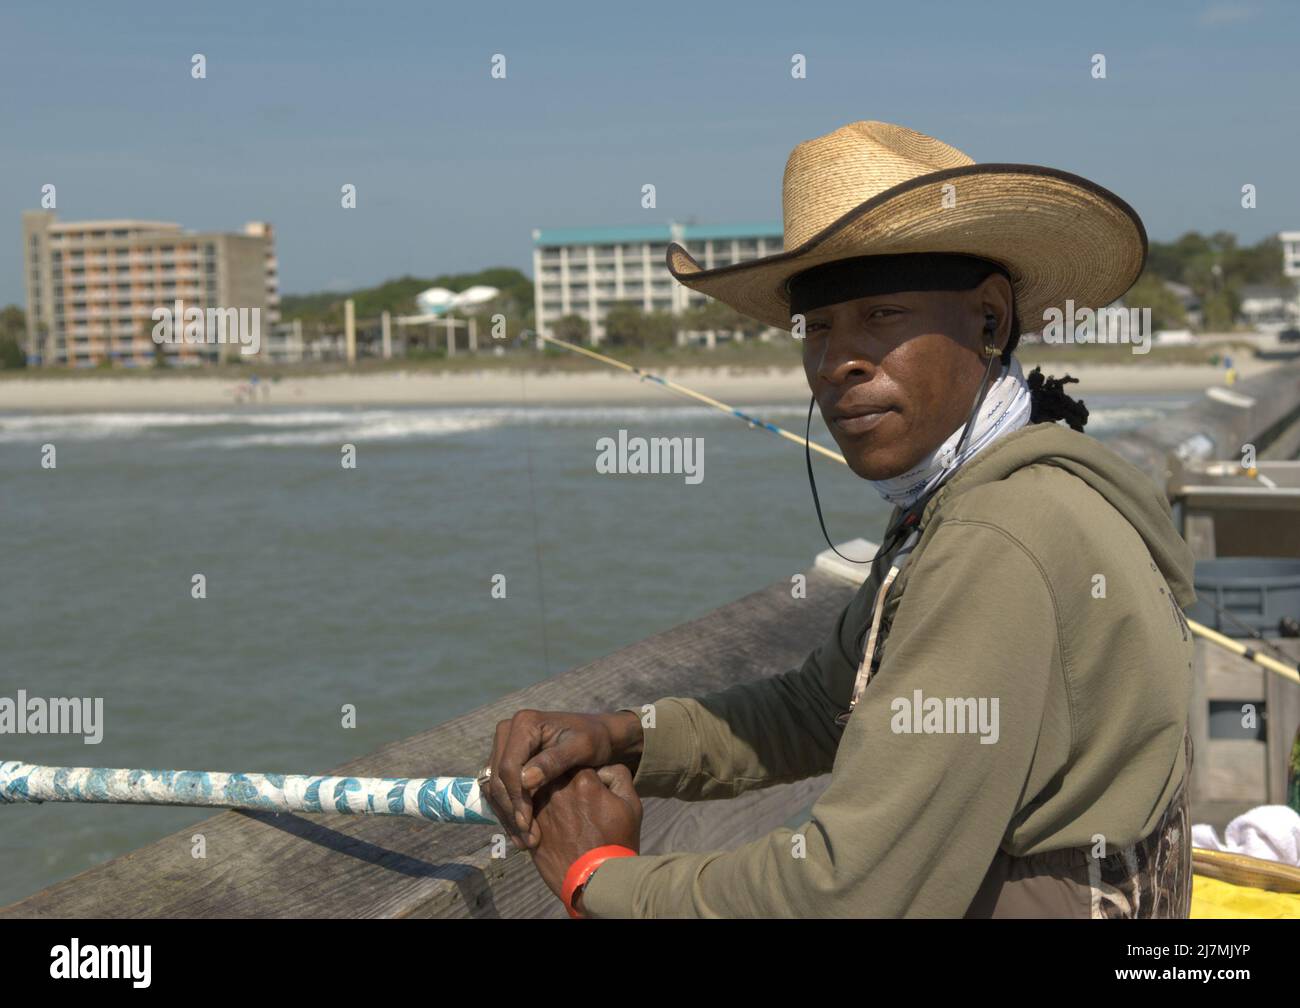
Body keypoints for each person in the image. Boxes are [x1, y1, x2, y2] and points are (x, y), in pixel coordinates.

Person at [482, 120, 1197, 918]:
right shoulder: (992, 484)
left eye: (881, 316)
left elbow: (849, 893)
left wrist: (597, 879)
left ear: (990, 321)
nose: (837, 362)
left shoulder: (995, 538)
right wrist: (623, 736)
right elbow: (823, 705)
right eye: (817, 328)